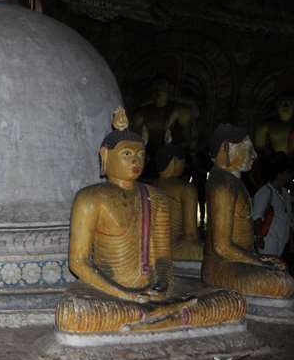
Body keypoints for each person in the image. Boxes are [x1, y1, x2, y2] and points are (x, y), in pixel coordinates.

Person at [56, 107, 244, 333]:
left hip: (154, 294)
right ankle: (162, 317)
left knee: (232, 302)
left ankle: (153, 318)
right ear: (105, 155)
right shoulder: (89, 199)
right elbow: (78, 262)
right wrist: (124, 293)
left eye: (140, 155)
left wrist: (162, 284)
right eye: (127, 154)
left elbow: (163, 257)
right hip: (112, 294)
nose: (136, 160)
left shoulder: (156, 198)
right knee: (73, 314)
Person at [202, 124, 294, 298]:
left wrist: (259, 258)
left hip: (236, 261)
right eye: (248, 149)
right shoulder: (223, 184)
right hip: (221, 266)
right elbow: (221, 247)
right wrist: (258, 261)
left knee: (282, 271)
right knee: (283, 283)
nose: (255, 155)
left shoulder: (232, 181)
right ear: (227, 148)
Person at [252, 153, 293, 258]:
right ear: (279, 174)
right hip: (268, 241)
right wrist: (259, 238)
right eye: (288, 172)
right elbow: (256, 217)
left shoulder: (285, 193)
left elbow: (289, 218)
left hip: (282, 241)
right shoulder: (265, 192)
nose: (290, 175)